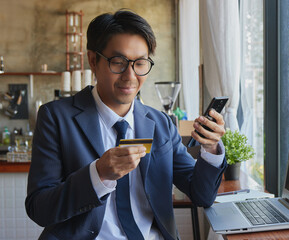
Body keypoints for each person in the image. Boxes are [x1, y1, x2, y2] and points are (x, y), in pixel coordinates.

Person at [26, 9, 227, 240]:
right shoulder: (55, 118)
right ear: (93, 60)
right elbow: (39, 208)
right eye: (118, 62)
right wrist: (98, 175)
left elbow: (202, 195)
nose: (130, 76)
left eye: (140, 63)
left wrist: (211, 149)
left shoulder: (160, 123)